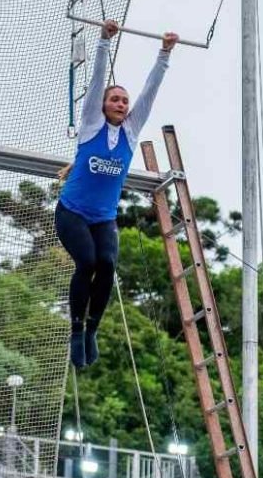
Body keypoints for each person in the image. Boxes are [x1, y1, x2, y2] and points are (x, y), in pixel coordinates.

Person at [57, 19, 178, 368]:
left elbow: (149, 93)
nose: (122, 104)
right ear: (103, 104)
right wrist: (103, 42)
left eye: (125, 101)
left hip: (103, 218)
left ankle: (92, 329)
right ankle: (76, 329)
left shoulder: (131, 131)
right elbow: (97, 82)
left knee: (108, 264)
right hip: (72, 212)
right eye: (115, 99)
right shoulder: (91, 124)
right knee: (87, 262)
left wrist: (165, 53)